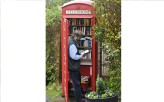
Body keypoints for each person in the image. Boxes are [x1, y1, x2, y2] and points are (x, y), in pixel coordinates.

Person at [68, 30, 86, 102]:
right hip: (73, 66)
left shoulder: (70, 40)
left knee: (78, 80)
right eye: (79, 37)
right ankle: (79, 98)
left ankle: (81, 93)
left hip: (73, 66)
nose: (80, 38)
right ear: (75, 36)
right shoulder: (72, 44)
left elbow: (73, 53)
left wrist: (79, 52)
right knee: (76, 83)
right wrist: (82, 55)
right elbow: (74, 56)